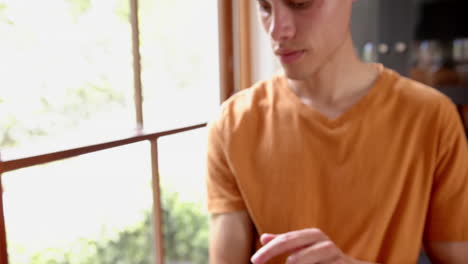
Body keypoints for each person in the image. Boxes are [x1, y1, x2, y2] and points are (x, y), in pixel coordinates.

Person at [206, 0, 468, 263]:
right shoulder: (234, 124)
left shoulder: (430, 117)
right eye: (265, 7)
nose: (276, 30)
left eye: (300, 3)